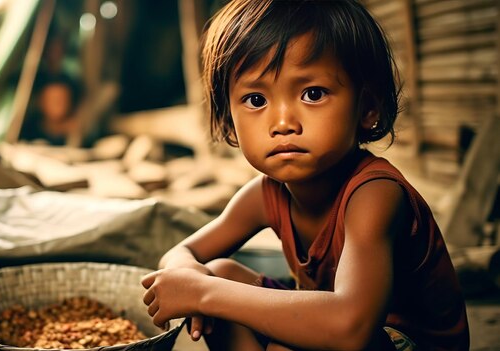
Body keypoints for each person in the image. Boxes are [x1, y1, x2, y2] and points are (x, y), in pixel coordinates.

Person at [141, 1, 469, 350]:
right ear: (228, 121)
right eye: (255, 100)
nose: (283, 123)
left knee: (245, 311)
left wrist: (204, 294)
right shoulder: (265, 195)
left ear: (368, 107)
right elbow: (181, 252)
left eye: (312, 94)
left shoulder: (375, 194)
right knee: (219, 271)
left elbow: (350, 328)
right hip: (336, 327)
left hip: (406, 340)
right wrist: (190, 277)